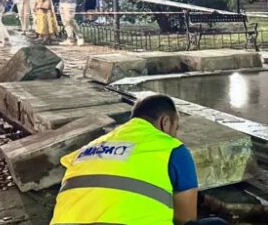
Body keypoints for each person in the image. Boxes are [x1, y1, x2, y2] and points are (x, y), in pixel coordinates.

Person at [50, 94, 228, 225]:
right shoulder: (173, 149)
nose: (175, 134)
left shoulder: (88, 148)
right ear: (165, 122)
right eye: (176, 128)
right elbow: (185, 219)